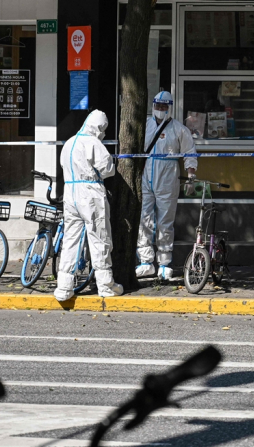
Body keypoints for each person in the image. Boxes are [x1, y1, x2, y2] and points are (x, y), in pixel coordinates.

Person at [54, 110, 123, 301]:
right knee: (99, 238)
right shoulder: (93, 143)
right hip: (90, 193)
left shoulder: (69, 143)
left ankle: (64, 287)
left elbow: (62, 165)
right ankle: (106, 284)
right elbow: (108, 169)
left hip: (70, 193)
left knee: (70, 240)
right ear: (100, 127)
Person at [136, 91, 198, 280]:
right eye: (158, 106)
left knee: (165, 221)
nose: (161, 109)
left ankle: (164, 262)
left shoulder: (178, 129)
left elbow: (190, 152)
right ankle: (146, 262)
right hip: (146, 175)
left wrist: (191, 177)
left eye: (164, 106)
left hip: (168, 177)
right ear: (153, 106)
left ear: (170, 107)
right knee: (144, 219)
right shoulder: (144, 125)